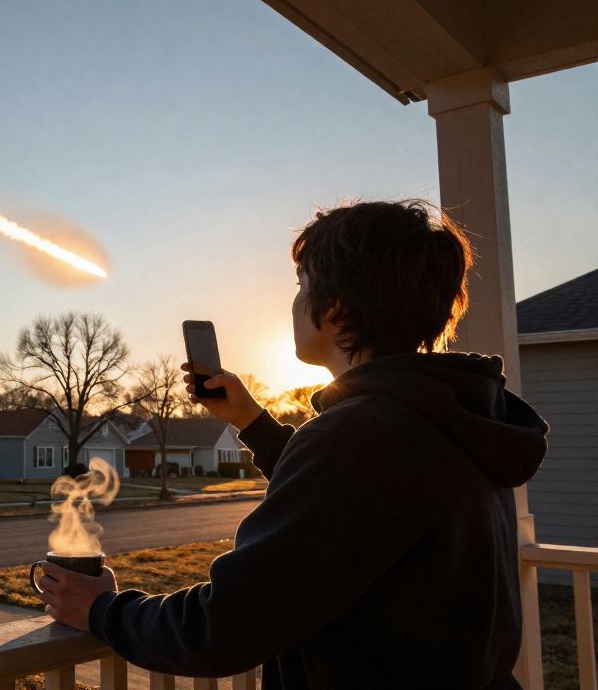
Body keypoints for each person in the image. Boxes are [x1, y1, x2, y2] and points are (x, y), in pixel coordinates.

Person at [35, 199, 548, 689]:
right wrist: (251, 420)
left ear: (338, 306)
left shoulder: (356, 439)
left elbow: (225, 626)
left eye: (303, 286)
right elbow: (366, 508)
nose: (296, 302)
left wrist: (102, 609)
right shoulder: (448, 417)